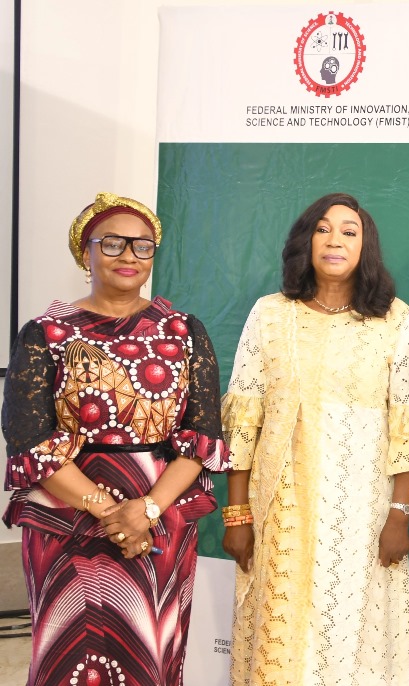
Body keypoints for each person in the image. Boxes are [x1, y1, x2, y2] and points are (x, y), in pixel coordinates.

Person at [1, 192, 230, 686]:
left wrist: (147, 509)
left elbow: (203, 434)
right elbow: (28, 439)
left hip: (163, 513)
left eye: (142, 246)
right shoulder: (46, 333)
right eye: (113, 243)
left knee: (151, 651)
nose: (129, 255)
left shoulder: (184, 331)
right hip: (66, 517)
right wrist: (112, 513)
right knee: (69, 655)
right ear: (85, 252)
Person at [221, 192, 409, 686]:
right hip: (280, 510)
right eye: (323, 229)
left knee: (351, 645)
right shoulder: (270, 314)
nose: (335, 240)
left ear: (367, 246)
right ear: (306, 242)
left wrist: (398, 516)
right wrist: (238, 513)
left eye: (349, 231)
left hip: (361, 514)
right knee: (279, 645)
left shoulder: (394, 320)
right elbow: (243, 418)